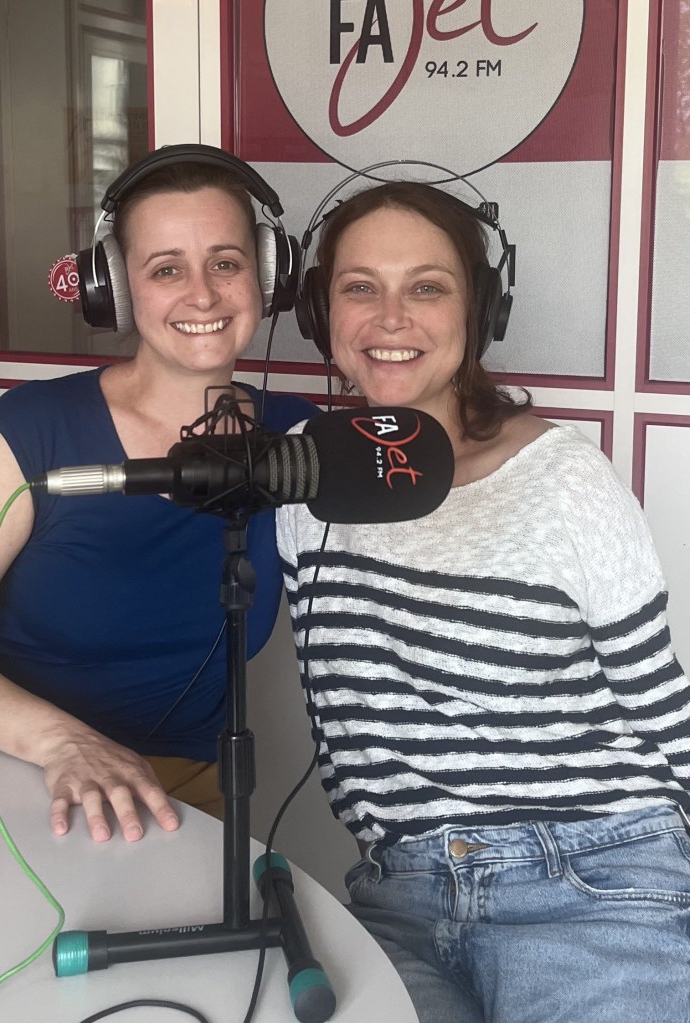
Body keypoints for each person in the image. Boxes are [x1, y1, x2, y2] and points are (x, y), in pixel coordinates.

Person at [277, 181, 690, 1022]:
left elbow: (660, 701)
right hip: (398, 897)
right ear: (323, 314)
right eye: (361, 287)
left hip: (596, 880)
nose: (391, 317)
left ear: (480, 311)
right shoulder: (297, 473)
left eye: (427, 286)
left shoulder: (562, 479)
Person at [0, 146, 314, 843]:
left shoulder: (296, 439)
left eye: (226, 262)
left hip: (172, 791)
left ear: (268, 275)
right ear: (118, 291)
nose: (203, 293)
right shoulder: (34, 428)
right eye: (167, 269)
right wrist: (60, 742)